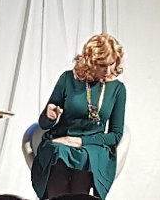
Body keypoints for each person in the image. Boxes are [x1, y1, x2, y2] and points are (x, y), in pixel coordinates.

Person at [31, 33, 126, 200]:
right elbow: (44, 124)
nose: (108, 71)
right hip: (61, 141)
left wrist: (81, 141)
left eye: (112, 64)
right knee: (57, 152)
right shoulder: (67, 79)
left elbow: (115, 135)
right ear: (90, 62)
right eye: (102, 65)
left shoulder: (118, 89)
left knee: (85, 157)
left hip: (93, 145)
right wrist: (49, 115)